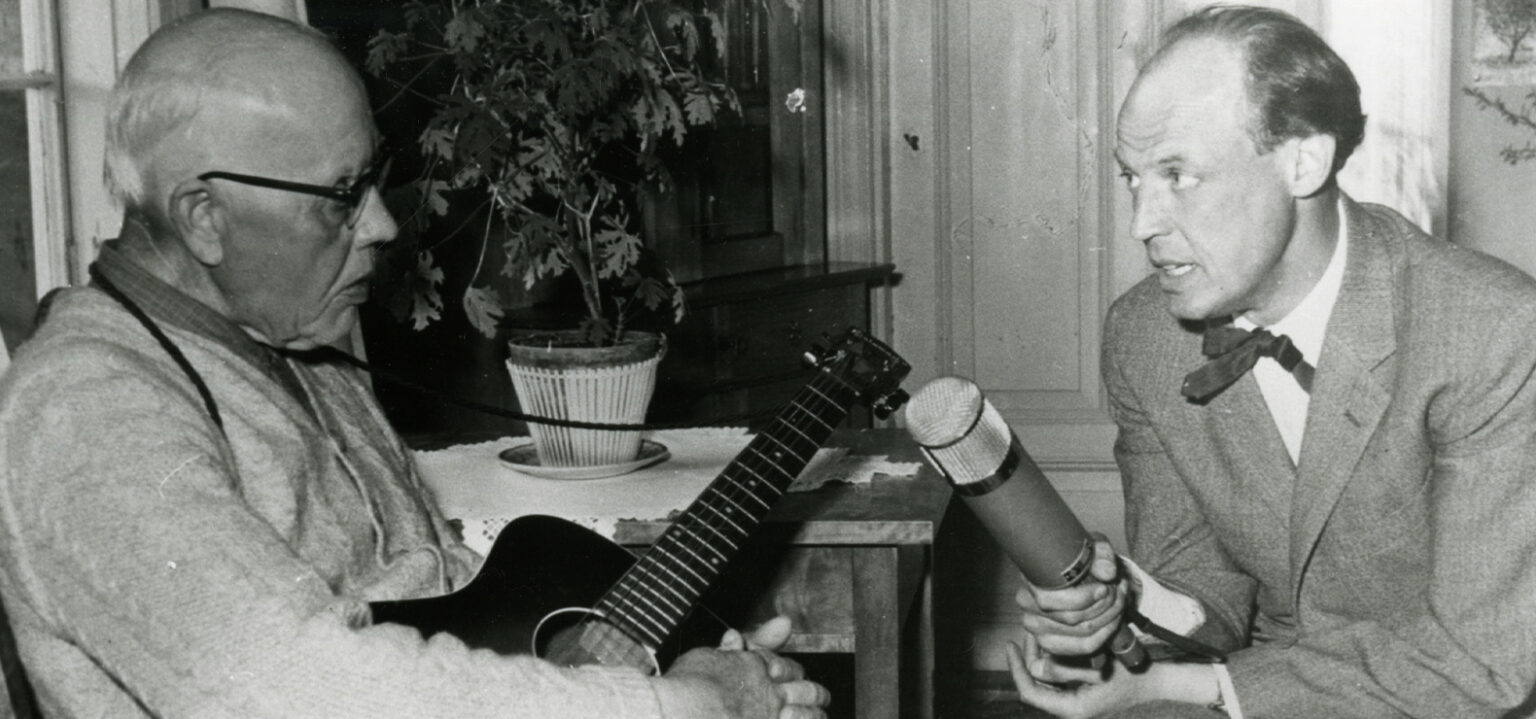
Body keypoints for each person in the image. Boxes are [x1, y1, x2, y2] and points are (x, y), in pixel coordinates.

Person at [0, 9, 829, 718]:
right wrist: (675, 707)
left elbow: (447, 594)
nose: (381, 227)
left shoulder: (294, 341)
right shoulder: (84, 407)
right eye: (341, 194)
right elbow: (298, 690)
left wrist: (637, 668)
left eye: (377, 181)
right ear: (204, 218)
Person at [1008, 5, 1536, 718]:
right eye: (1133, 178)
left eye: (1178, 174)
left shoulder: (1489, 328)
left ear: (1303, 161)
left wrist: (1186, 686)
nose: (1143, 224)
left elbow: (1476, 662)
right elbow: (1206, 593)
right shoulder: (1144, 336)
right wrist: (1126, 601)